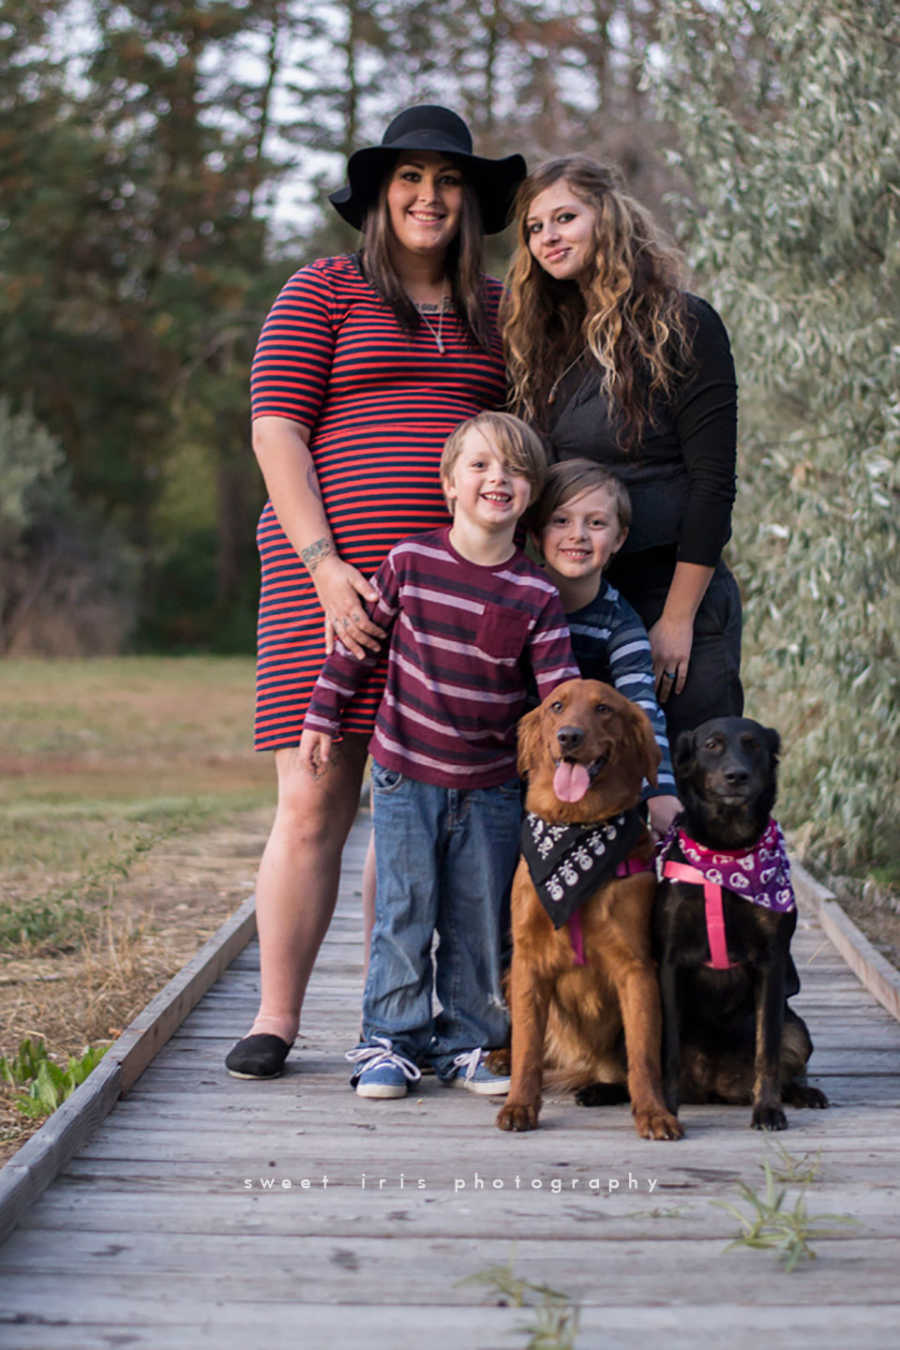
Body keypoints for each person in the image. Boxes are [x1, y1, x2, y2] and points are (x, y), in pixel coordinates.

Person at [225, 107, 526, 1080]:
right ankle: (275, 1021)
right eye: (410, 178)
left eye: (447, 181)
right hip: (327, 577)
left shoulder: (498, 312)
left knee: (417, 809)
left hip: (450, 597)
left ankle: (389, 1024)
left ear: (471, 200)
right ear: (380, 197)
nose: (429, 196)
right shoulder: (325, 291)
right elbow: (277, 431)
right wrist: (324, 568)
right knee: (315, 797)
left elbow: (522, 448)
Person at [299, 413, 579, 1098]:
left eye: (514, 469)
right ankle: (388, 1042)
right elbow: (357, 649)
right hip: (406, 774)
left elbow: (556, 700)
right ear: (449, 483)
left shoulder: (537, 594)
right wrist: (323, 715)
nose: (497, 479)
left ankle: (469, 1043)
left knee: (479, 917)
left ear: (532, 491)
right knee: (404, 908)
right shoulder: (408, 563)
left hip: (490, 786)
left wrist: (566, 769)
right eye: (480, 466)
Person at [502, 157, 743, 745]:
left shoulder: (682, 324)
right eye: (535, 228)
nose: (548, 237)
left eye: (565, 217)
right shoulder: (542, 344)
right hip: (575, 601)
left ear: (607, 218)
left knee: (693, 783)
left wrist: (677, 619)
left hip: (670, 589)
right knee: (588, 798)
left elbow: (713, 483)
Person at [527, 458, 680, 837]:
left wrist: (659, 790)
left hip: (580, 756)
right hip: (511, 756)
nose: (577, 535)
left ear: (619, 538)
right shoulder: (519, 595)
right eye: (561, 521)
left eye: (595, 523)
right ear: (536, 533)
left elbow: (641, 706)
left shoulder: (620, 624)